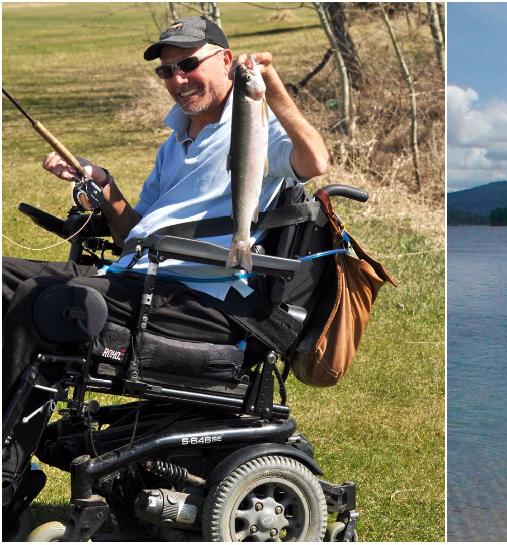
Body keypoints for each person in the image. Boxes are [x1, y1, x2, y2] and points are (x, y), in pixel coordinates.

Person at [2, 16, 329, 506]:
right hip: (140, 276)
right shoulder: (172, 143)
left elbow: (316, 161)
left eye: (188, 65)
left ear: (225, 60)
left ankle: (7, 478)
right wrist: (103, 186)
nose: (178, 80)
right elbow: (133, 234)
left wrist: (272, 89)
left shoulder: (258, 126)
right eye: (167, 71)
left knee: (42, 302)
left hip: (198, 298)